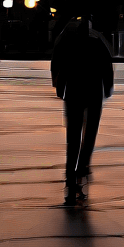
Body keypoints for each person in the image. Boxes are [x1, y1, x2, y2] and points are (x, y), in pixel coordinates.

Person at [50, 14, 114, 205]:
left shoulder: (67, 41)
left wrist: (59, 88)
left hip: (74, 93)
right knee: (90, 135)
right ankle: (82, 171)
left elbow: (57, 64)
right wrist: (108, 88)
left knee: (73, 139)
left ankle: (70, 180)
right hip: (94, 92)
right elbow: (107, 67)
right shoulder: (98, 41)